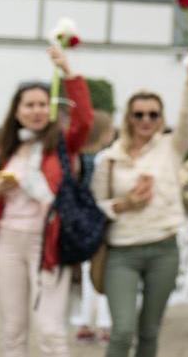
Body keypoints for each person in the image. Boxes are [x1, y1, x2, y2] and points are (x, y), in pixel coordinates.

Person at [92, 48, 188, 357]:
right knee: (122, 330)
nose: (146, 120)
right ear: (128, 117)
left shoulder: (171, 148)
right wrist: (125, 203)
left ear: (161, 118)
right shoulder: (110, 158)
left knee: (150, 331)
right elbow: (97, 205)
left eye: (153, 114)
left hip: (163, 248)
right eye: (138, 114)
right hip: (122, 251)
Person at [0, 46, 92, 357]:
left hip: (47, 242)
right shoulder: (6, 149)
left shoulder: (61, 144)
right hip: (8, 241)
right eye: (29, 105)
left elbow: (84, 121)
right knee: (12, 330)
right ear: (17, 110)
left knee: (50, 329)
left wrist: (68, 72)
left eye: (42, 104)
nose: (37, 110)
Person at [71, 110, 116, 345]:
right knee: (106, 275)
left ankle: (85, 323)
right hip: (103, 224)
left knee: (90, 276)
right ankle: (106, 325)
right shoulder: (105, 157)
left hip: (84, 226)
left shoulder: (79, 158)